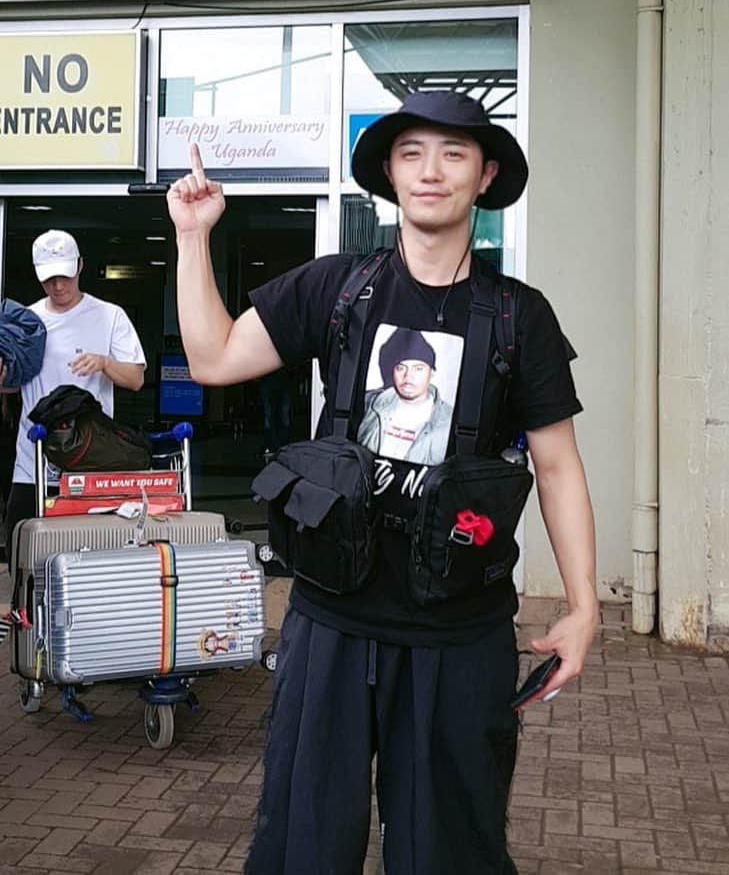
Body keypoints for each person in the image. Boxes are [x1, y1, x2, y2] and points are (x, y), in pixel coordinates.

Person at [166, 91, 597, 875]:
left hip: (458, 630)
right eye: (410, 153)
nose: (429, 171)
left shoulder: (517, 317)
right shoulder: (337, 287)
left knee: (450, 850)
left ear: (484, 174)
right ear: (391, 175)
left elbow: (559, 467)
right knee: (303, 843)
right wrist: (192, 239)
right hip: (332, 615)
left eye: (452, 154)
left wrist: (582, 607)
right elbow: (214, 359)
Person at [0, 229, 146, 557]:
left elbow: (136, 378)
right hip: (33, 460)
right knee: (24, 552)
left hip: (89, 459)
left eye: (65, 277)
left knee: (86, 557)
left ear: (80, 267)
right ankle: (23, 609)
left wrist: (102, 362)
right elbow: (15, 383)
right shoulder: (27, 321)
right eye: (49, 279)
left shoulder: (109, 316)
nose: (58, 287)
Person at [357, 327, 453, 463]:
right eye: (401, 368)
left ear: (432, 373)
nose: (408, 376)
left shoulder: (449, 421)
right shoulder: (368, 404)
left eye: (418, 368)